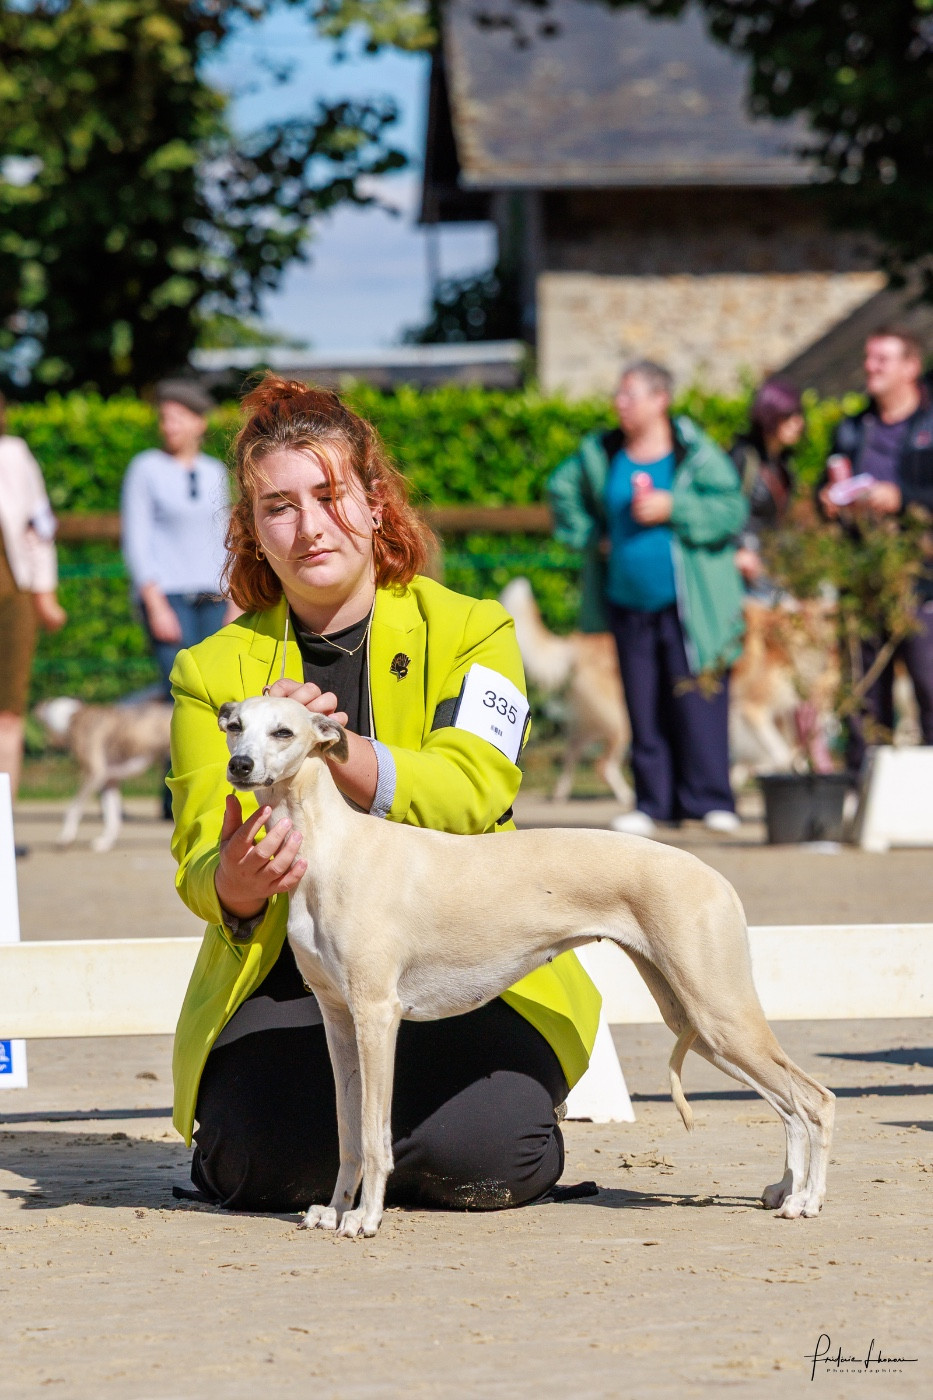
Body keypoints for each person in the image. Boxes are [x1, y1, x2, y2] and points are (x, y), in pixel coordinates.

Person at [168, 376, 601, 1213]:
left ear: (374, 504)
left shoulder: (474, 629)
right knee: (259, 1164)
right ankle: (358, 1155)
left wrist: (350, 755)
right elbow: (195, 860)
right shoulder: (208, 672)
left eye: (328, 496)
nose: (309, 526)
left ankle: (381, 1153)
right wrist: (236, 881)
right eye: (277, 507)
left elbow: (476, 790)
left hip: (466, 957)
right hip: (287, 980)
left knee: (486, 1156)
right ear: (253, 531)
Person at [548, 361, 747, 838]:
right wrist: (590, 534)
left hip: (690, 604)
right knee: (643, 701)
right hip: (626, 600)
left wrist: (674, 508)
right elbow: (561, 489)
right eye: (618, 395)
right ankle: (654, 803)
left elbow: (730, 509)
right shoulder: (602, 451)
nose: (619, 403)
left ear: (661, 399)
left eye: (630, 394)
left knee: (698, 697)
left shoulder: (693, 452)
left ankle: (711, 799)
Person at [817, 327, 933, 770]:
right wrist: (826, 500)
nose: (870, 367)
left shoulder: (929, 423)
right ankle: (861, 794)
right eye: (868, 358)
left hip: (920, 581)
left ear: (910, 367)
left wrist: (903, 498)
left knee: (929, 686)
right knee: (863, 694)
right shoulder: (851, 428)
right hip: (862, 577)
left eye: (882, 359)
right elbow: (820, 491)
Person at [121, 379, 234, 815]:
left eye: (176, 416)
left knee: (214, 694)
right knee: (180, 691)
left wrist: (233, 597)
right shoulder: (144, 468)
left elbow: (226, 536)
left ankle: (205, 787)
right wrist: (153, 600)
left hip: (212, 597)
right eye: (163, 417)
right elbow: (137, 537)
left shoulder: (214, 472)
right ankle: (177, 794)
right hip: (167, 596)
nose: (167, 424)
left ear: (198, 422)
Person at [0, 392, 67, 853]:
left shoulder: (14, 455)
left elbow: (38, 525)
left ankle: (2, 826)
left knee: (8, 713)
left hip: (10, 596)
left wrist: (45, 592)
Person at [730, 378, 805, 601]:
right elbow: (723, 511)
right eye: (788, 416)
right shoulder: (743, 458)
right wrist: (738, 550)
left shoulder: (783, 463)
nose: (798, 423)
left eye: (798, 415)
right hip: (744, 568)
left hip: (772, 565)